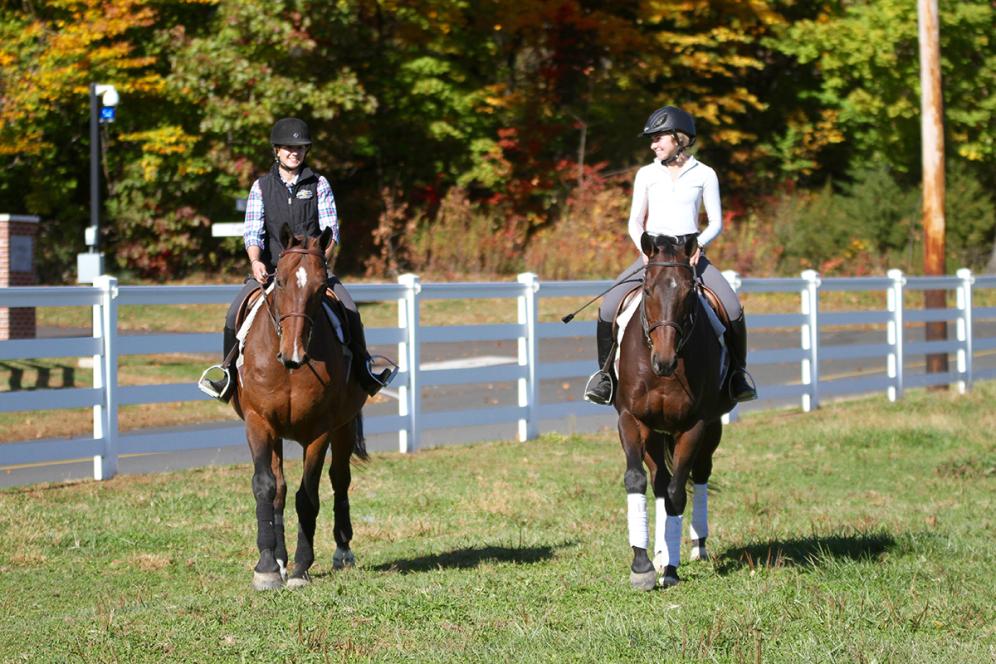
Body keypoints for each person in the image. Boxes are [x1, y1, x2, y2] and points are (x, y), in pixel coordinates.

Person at [199, 117, 396, 401]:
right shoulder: (261, 187)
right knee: (234, 313)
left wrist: (317, 264)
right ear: (277, 150)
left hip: (312, 272)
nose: (295, 152)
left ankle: (365, 371)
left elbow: (331, 232)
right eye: (288, 147)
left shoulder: (319, 184)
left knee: (350, 308)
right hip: (271, 272)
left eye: (300, 148)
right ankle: (227, 374)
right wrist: (256, 261)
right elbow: (253, 232)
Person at [583, 105, 757, 405]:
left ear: (679, 138)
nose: (653, 145)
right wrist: (645, 250)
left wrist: (698, 244)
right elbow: (634, 221)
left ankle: (737, 376)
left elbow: (716, 221)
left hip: (690, 256)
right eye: (651, 140)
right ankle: (605, 378)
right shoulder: (646, 174)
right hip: (653, 254)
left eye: (658, 138)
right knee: (609, 307)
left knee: (731, 307)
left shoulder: (705, 174)